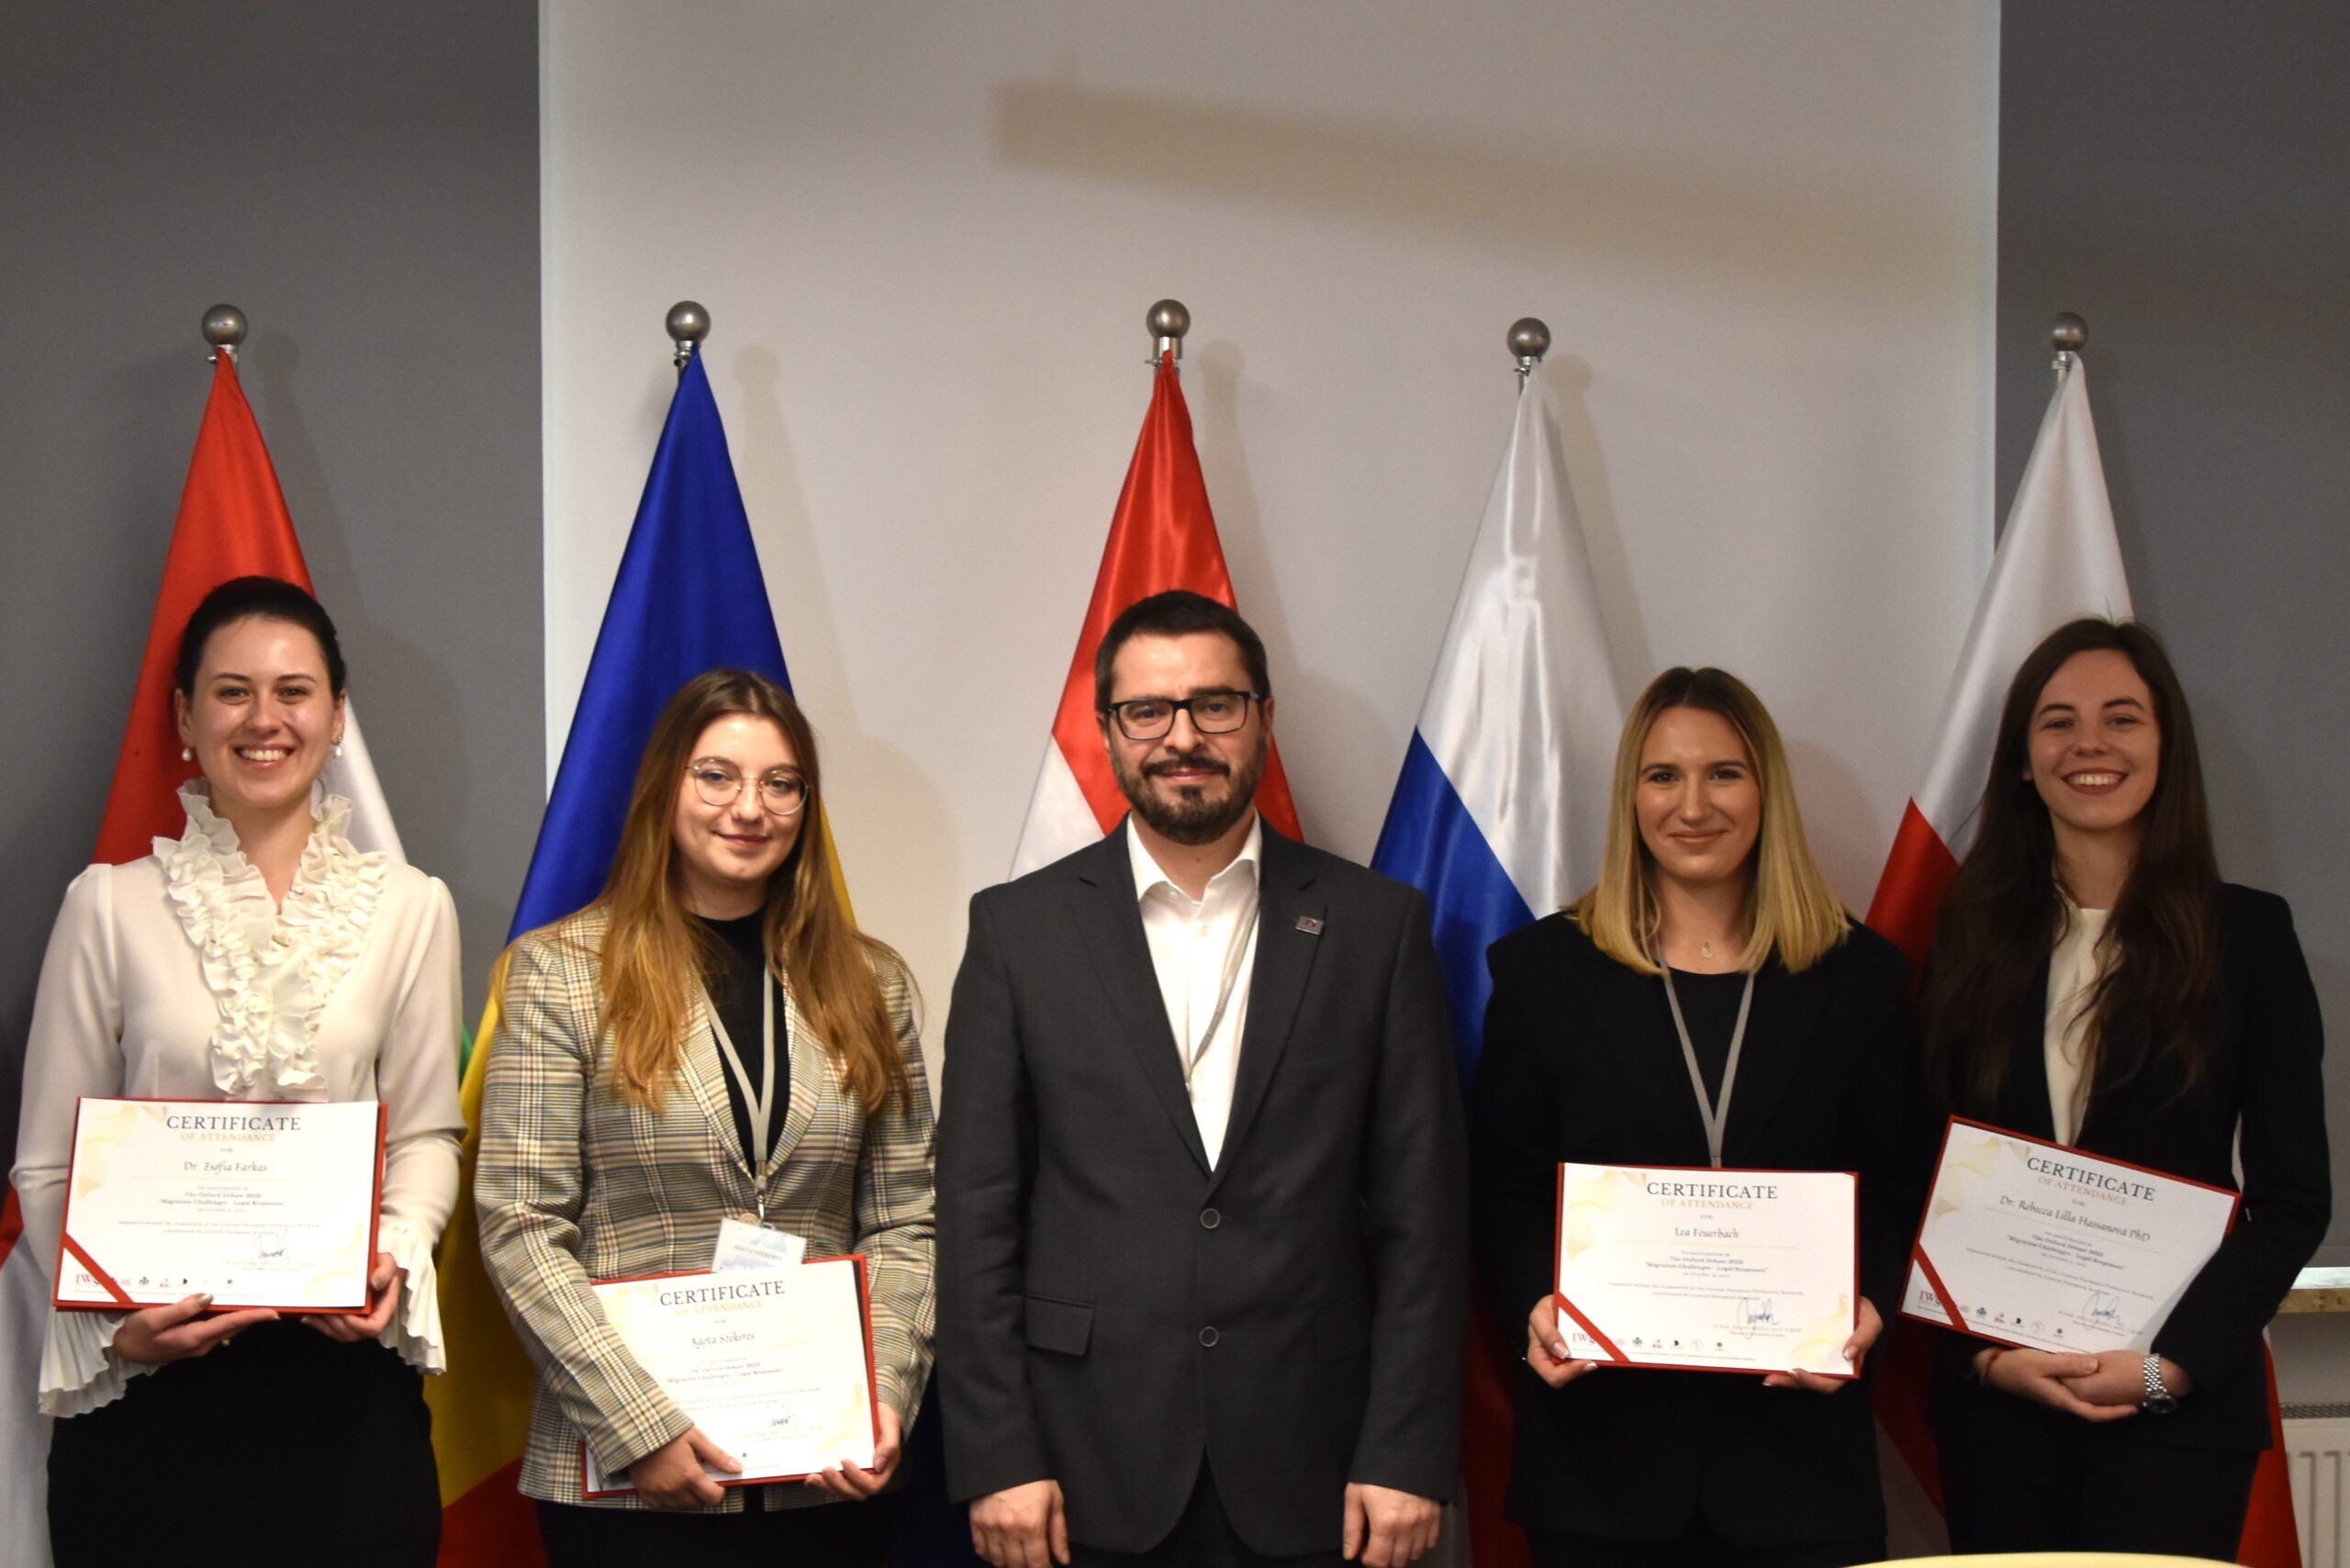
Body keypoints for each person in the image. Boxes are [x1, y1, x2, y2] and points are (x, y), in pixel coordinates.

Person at [936, 588, 1468, 1568]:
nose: (1182, 737)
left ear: (1263, 717)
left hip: (1319, 1463)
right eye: (1148, 710)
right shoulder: (1017, 930)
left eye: (1215, 705)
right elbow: (975, 1214)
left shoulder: (1376, 926)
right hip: (1080, 1464)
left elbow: (1423, 1218)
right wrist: (996, 1452)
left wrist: (1406, 1449)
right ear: (1108, 730)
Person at [12, 576, 464, 1566]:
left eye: (294, 691)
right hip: (149, 1401)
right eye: (232, 691)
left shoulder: (412, 908)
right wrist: (113, 1322)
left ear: (336, 716)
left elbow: (429, 1132)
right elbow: (46, 1162)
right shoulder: (107, 905)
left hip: (343, 1392)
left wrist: (392, 1254)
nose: (265, 719)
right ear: (185, 718)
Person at [476, 668, 934, 1568]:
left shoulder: (871, 982)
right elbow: (520, 1220)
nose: (749, 808)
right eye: (716, 775)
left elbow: (906, 1222)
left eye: (781, 783)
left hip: (822, 1475)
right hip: (627, 1480)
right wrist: (639, 1426)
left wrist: (881, 1395)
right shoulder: (559, 972)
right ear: (664, 787)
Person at [1472, 666, 1914, 1568]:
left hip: (1799, 1463)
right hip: (1601, 1463)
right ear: (1630, 796)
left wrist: (1869, 1305)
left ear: (1766, 789)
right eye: (1663, 775)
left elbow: (1899, 1178)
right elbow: (1504, 1181)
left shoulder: (1861, 979)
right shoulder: (1542, 973)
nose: (1693, 805)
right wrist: (1534, 1303)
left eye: (1724, 773)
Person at [1919, 618, 2329, 1557]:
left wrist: (2166, 1369)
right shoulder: (1969, 935)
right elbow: (1925, 1165)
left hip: (2176, 1422)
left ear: (2165, 746)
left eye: (2121, 718)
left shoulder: (2249, 938)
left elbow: (2294, 1196)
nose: (2089, 744)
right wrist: (1989, 1359)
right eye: (2057, 722)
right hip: (2002, 1418)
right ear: (2024, 761)